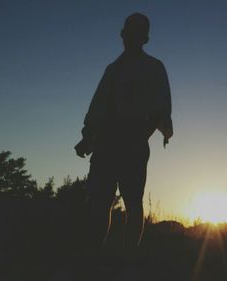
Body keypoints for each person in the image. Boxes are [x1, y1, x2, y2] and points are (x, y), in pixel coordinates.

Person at [74, 13, 173, 252]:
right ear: (123, 35)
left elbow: (161, 110)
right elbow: (98, 106)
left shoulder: (154, 67)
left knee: (132, 202)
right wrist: (88, 137)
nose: (130, 37)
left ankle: (129, 259)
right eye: (128, 32)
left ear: (144, 38)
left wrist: (141, 137)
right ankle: (95, 256)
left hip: (134, 141)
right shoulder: (112, 70)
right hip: (107, 142)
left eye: (136, 32)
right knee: (100, 202)